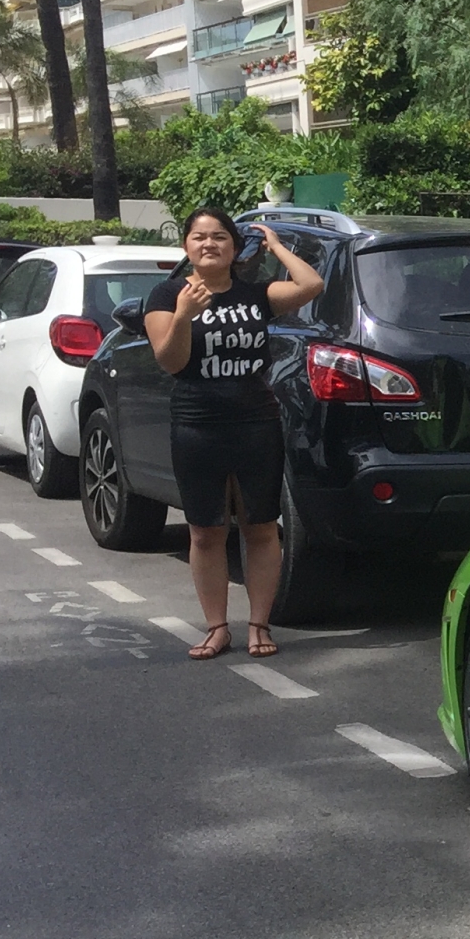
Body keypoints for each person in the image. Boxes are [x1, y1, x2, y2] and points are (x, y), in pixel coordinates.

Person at [143, 205, 323, 660]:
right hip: (196, 424)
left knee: (260, 526)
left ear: (235, 247)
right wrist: (185, 313)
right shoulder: (166, 295)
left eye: (220, 236)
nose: (209, 244)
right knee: (205, 529)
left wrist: (277, 246)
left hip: (255, 423)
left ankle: (258, 624)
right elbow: (170, 360)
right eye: (200, 237)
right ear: (186, 246)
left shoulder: (255, 294)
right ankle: (217, 627)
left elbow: (311, 285)